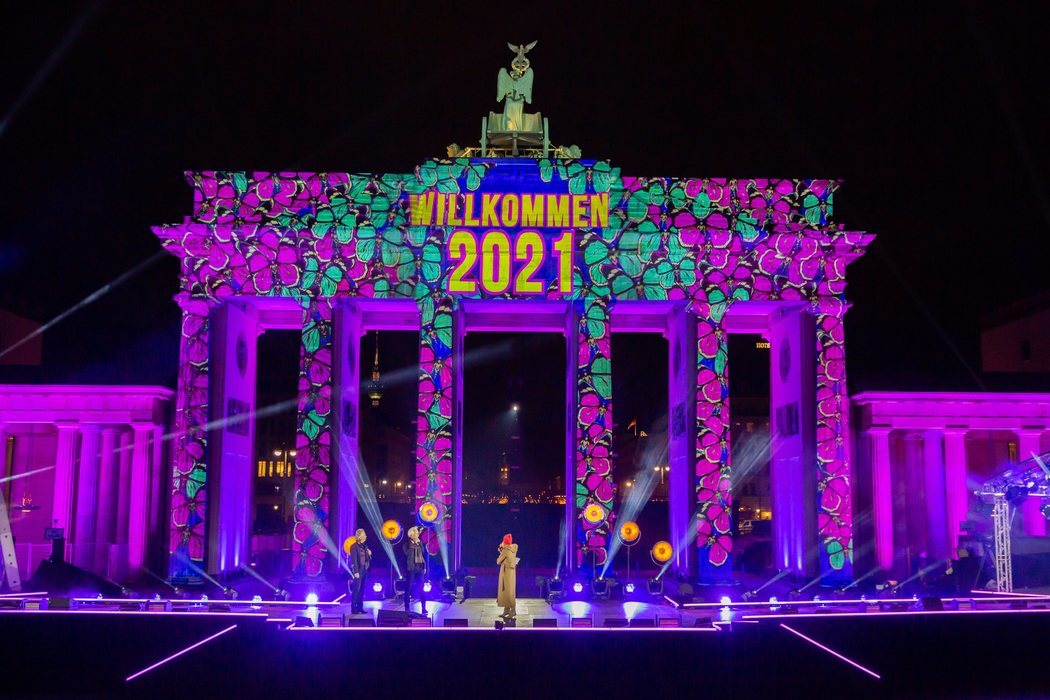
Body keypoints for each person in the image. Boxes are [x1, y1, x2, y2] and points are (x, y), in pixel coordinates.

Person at [403, 526, 426, 614]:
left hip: (420, 567)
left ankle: (423, 607)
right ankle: (407, 607)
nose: (418, 534)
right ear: (411, 535)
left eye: (418, 533)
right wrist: (413, 544)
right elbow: (407, 553)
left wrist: (424, 567)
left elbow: (423, 555)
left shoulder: (420, 543)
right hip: (411, 568)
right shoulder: (407, 544)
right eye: (416, 533)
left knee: (422, 588)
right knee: (408, 587)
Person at [348, 528, 371, 615]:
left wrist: (369, 554)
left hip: (365, 570)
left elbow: (367, 559)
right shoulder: (354, 546)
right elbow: (353, 560)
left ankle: (360, 608)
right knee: (356, 590)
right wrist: (355, 572)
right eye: (364, 535)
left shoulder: (364, 546)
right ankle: (354, 608)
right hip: (358, 571)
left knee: (362, 590)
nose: (365, 537)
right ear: (360, 536)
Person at [497, 533, 518, 620]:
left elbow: (498, 561)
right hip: (511, 572)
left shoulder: (505, 550)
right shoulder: (514, 548)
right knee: (509, 591)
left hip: (506, 573)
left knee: (507, 591)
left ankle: (512, 611)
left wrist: (501, 551)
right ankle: (507, 610)